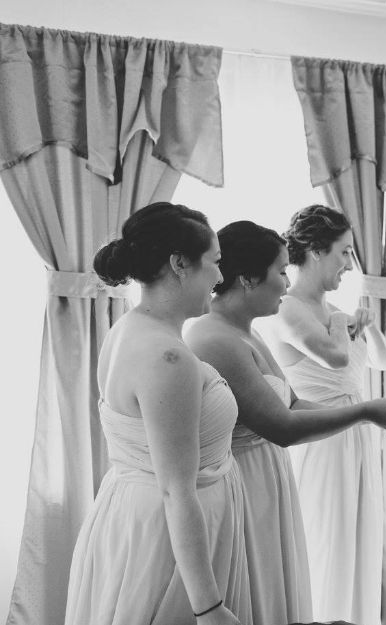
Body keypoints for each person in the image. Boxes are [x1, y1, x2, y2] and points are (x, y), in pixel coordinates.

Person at [184, 221, 386, 625]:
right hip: (243, 483)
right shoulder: (212, 337)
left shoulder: (248, 333)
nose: (286, 283)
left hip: (270, 478)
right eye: (280, 271)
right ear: (248, 279)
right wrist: (363, 413)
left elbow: (293, 402)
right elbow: (283, 426)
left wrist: (369, 411)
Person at [65, 202, 250, 625]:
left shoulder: (126, 328)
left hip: (130, 514)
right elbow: (175, 490)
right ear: (180, 263)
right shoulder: (168, 357)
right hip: (164, 541)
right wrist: (209, 607)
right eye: (215, 263)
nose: (221, 278)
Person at [259, 205, 386, 625]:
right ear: (316, 251)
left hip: (355, 433)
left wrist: (366, 326)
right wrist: (341, 323)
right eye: (344, 253)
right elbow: (335, 359)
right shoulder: (287, 309)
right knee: (327, 540)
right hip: (318, 438)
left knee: (359, 539)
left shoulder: (335, 309)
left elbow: (382, 362)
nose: (350, 265)